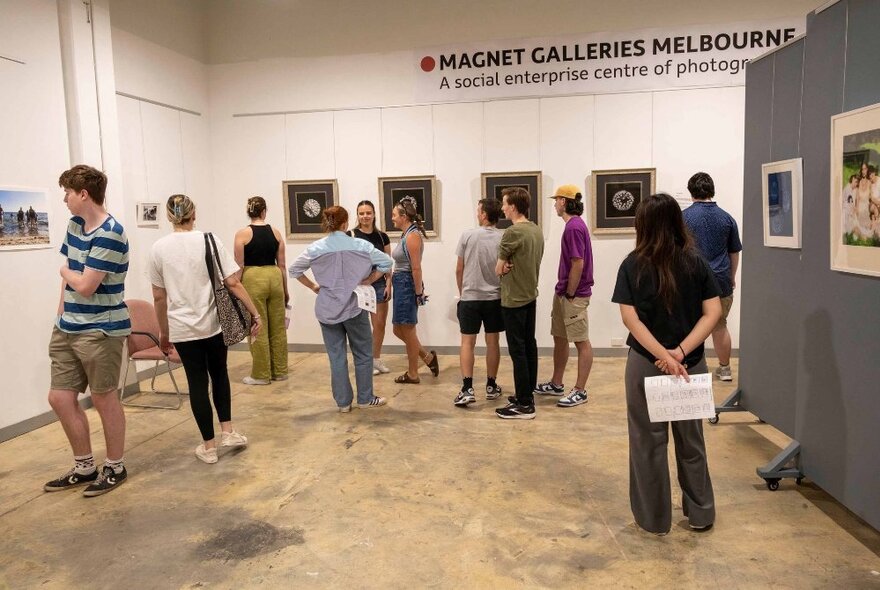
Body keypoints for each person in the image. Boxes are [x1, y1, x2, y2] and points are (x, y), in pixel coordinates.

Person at [612, 192, 722, 535]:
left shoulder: (632, 264)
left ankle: (654, 519)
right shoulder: (696, 262)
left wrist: (663, 354)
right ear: (677, 222)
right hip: (691, 366)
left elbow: (630, 319)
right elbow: (713, 312)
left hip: (647, 364)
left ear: (642, 225)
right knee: (692, 442)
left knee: (648, 443)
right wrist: (680, 352)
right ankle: (701, 514)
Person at [150, 194, 260, 464]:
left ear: (169, 216)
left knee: (197, 384)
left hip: (182, 329)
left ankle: (208, 447)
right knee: (219, 375)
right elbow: (233, 282)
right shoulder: (209, 241)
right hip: (213, 325)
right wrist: (254, 313)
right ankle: (228, 432)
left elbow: (159, 297)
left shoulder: (158, 249)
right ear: (193, 214)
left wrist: (163, 334)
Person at [44, 165, 131, 496]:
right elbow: (71, 281)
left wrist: (64, 271)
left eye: (67, 192)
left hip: (101, 329)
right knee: (60, 397)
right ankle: (84, 466)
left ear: (84, 194)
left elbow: (85, 285)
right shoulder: (74, 224)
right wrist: (60, 313)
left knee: (103, 396)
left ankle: (115, 465)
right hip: (68, 325)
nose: (64, 199)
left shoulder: (110, 232)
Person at [288, 205, 392, 411]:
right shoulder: (361, 245)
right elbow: (387, 262)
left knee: (336, 357)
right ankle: (365, 399)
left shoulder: (316, 248)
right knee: (363, 354)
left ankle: (343, 403)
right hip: (354, 305)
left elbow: (294, 269)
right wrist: (370, 279)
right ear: (345, 223)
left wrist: (313, 286)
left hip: (327, 307)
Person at [534, 185, 595, 408]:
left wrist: (570, 292)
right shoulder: (572, 226)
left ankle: (580, 390)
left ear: (564, 202)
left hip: (573, 295)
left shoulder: (574, 227)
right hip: (564, 292)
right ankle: (556, 383)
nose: (554, 204)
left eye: (557, 200)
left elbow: (578, 262)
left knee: (581, 341)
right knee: (559, 337)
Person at [682, 172, 742, 382]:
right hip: (721, 280)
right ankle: (725, 369)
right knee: (720, 325)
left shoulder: (683, 218)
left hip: (691, 280)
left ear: (691, 192)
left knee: (689, 326)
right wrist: (732, 276)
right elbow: (734, 252)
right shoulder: (727, 218)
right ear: (712, 190)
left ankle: (688, 365)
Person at [494, 187, 544, 420]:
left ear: (513, 206)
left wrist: (503, 267)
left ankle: (524, 405)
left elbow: (497, 269)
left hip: (513, 298)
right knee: (529, 346)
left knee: (518, 351)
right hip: (529, 295)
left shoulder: (512, 233)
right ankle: (527, 394)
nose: (502, 208)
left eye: (504, 203)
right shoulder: (535, 230)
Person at [452, 198, 505, 407]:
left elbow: (459, 268)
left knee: (467, 343)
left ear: (483, 215)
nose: (477, 213)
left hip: (470, 298)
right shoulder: (503, 238)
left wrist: (462, 291)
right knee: (493, 342)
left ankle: (467, 388)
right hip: (494, 297)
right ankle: (491, 386)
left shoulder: (467, 235)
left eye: (478, 210)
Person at [233, 196, 289, 385]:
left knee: (258, 326)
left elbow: (239, 266)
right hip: (275, 277)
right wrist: (285, 288)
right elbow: (282, 265)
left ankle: (261, 374)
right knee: (278, 327)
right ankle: (280, 371)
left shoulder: (242, 234)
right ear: (264, 211)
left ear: (248, 212)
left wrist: (235, 289)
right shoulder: (276, 233)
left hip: (253, 278)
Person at [390, 196, 439, 384]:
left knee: (408, 331)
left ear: (404, 216)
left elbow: (416, 268)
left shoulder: (412, 236)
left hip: (406, 284)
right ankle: (427, 358)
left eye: (394, 215)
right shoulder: (406, 234)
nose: (392, 218)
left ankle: (413, 373)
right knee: (398, 329)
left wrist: (418, 293)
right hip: (402, 283)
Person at [348, 200, 393, 376]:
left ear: (374, 214)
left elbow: (388, 263)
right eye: (361, 213)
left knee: (379, 324)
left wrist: (389, 283)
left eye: (368, 213)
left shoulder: (382, 236)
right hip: (358, 285)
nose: (365, 216)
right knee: (360, 326)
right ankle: (364, 362)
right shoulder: (351, 235)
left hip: (379, 283)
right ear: (357, 215)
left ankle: (375, 359)